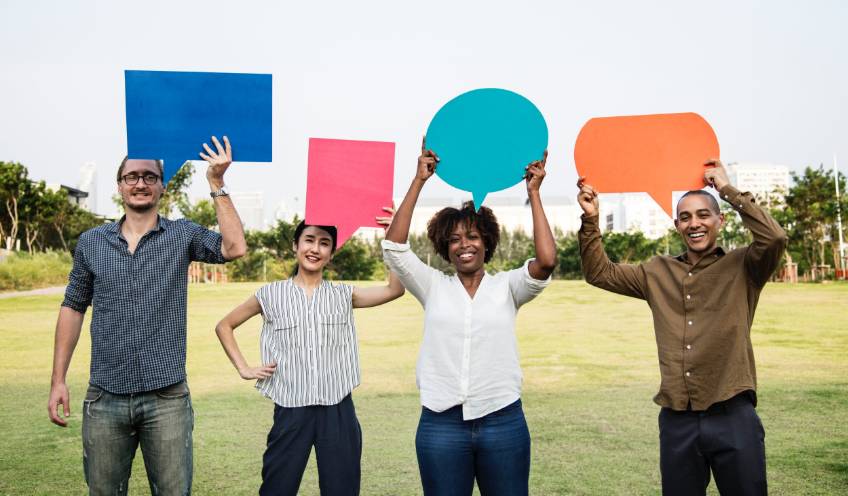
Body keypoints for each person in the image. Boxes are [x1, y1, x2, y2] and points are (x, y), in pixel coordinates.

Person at [47, 136, 247, 495]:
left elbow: (234, 247)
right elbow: (73, 307)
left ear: (162, 186)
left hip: (167, 399)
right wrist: (58, 380)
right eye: (132, 176)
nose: (140, 183)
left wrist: (216, 181)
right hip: (105, 397)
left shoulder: (183, 235)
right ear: (120, 185)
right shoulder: (91, 242)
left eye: (150, 177)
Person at [576, 159, 787, 495]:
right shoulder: (656, 272)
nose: (694, 223)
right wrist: (590, 218)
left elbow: (774, 237)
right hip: (677, 420)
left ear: (719, 220)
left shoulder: (745, 266)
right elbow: (599, 273)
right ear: (677, 225)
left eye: (703, 215)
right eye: (685, 217)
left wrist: (727, 190)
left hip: (733, 414)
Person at [382, 138, 556, 496]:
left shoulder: (508, 287)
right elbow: (395, 248)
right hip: (441, 424)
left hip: (502, 420)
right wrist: (419, 180)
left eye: (473, 236)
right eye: (454, 239)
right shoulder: (432, 285)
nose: (465, 244)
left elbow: (546, 261)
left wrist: (534, 193)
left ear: (487, 242)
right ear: (445, 248)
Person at [215, 217, 405, 496]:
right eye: (309, 240)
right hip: (291, 410)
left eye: (324, 243)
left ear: (331, 253)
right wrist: (243, 368)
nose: (315, 249)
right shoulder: (270, 294)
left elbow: (395, 289)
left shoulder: (344, 294)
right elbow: (224, 326)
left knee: (342, 490)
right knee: (277, 488)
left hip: (338, 410)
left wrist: (392, 239)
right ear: (296, 245)